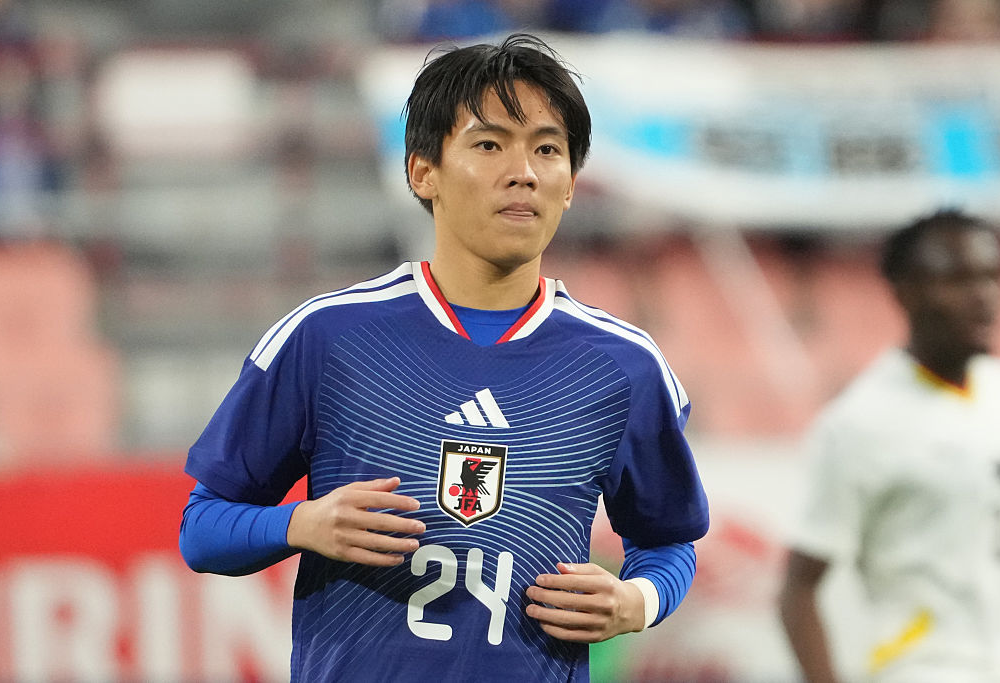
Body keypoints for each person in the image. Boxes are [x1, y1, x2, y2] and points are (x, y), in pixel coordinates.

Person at [180, 33, 709, 682]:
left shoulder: (623, 366)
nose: (524, 171)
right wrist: (301, 523)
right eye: (489, 144)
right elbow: (201, 527)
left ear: (571, 182)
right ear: (422, 170)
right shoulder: (327, 337)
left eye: (548, 148)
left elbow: (667, 540)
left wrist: (638, 599)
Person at [778, 209, 1000, 682]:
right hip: (927, 668)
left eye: (991, 275)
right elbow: (799, 589)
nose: (984, 295)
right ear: (906, 292)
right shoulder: (859, 424)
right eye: (958, 278)